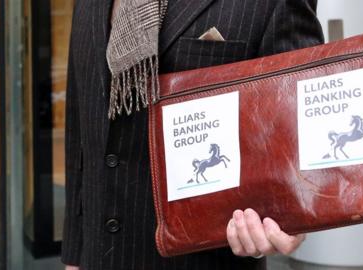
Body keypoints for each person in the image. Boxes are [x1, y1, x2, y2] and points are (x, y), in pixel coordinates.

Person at [62, 0, 324, 269]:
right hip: (97, 256)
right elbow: (79, 122)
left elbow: (300, 125)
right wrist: (74, 253)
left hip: (201, 259)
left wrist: (291, 218)